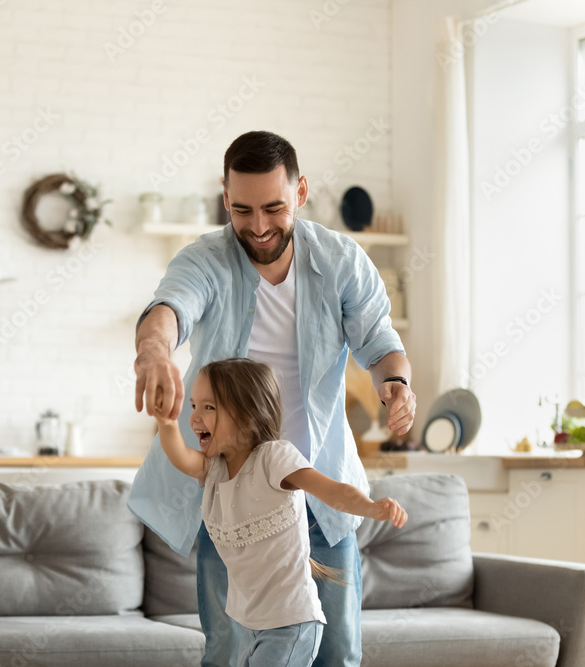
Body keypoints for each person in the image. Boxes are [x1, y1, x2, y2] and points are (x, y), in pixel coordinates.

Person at [128, 130, 416, 667]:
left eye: (273, 208)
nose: (258, 228)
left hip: (319, 489)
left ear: (300, 191)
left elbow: (381, 343)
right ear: (224, 196)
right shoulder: (207, 259)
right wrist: (152, 350)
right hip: (235, 494)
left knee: (336, 655)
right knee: (232, 652)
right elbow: (171, 308)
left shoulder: (340, 260)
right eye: (242, 210)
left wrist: (395, 383)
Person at [153, 358, 407, 667]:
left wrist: (371, 508)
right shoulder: (214, 469)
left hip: (291, 620)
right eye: (193, 405)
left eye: (209, 407)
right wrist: (166, 424)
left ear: (247, 418)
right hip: (248, 622)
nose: (194, 418)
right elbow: (180, 457)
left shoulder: (274, 458)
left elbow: (332, 491)